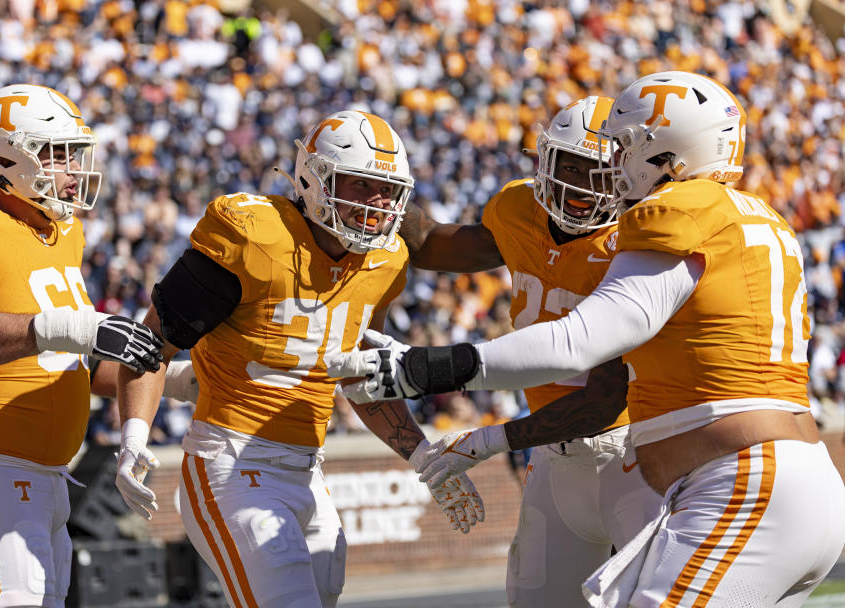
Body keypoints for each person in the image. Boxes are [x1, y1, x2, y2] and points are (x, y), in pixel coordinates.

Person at [331, 72, 845, 606]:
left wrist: (425, 371)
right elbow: (438, 244)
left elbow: (580, 351)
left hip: (703, 471)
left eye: (621, 151)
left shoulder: (666, 218)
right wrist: (373, 179)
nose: (609, 171)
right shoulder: (754, 218)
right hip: (723, 467)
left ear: (668, 154)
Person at [114, 110, 485, 608]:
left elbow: (358, 377)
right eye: (360, 185)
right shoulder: (253, 234)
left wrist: (423, 457)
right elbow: (151, 344)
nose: (377, 202)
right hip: (230, 463)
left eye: (386, 188)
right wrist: (134, 433)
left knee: (324, 587)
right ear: (313, 179)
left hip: (308, 470)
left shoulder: (385, 261)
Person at [0, 84, 191, 608]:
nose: (72, 168)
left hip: (48, 476)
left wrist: (171, 381)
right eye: (56, 154)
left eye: (73, 154)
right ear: (5, 158)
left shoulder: (61, 235)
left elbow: (66, 360)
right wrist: (61, 328)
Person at [395, 96, 661, 607]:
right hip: (554, 463)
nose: (580, 185)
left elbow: (604, 400)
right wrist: (370, 190)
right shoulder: (518, 210)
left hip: (633, 454)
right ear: (544, 160)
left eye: (598, 171)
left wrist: (494, 438)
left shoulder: (640, 241)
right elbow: (432, 244)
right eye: (570, 166)